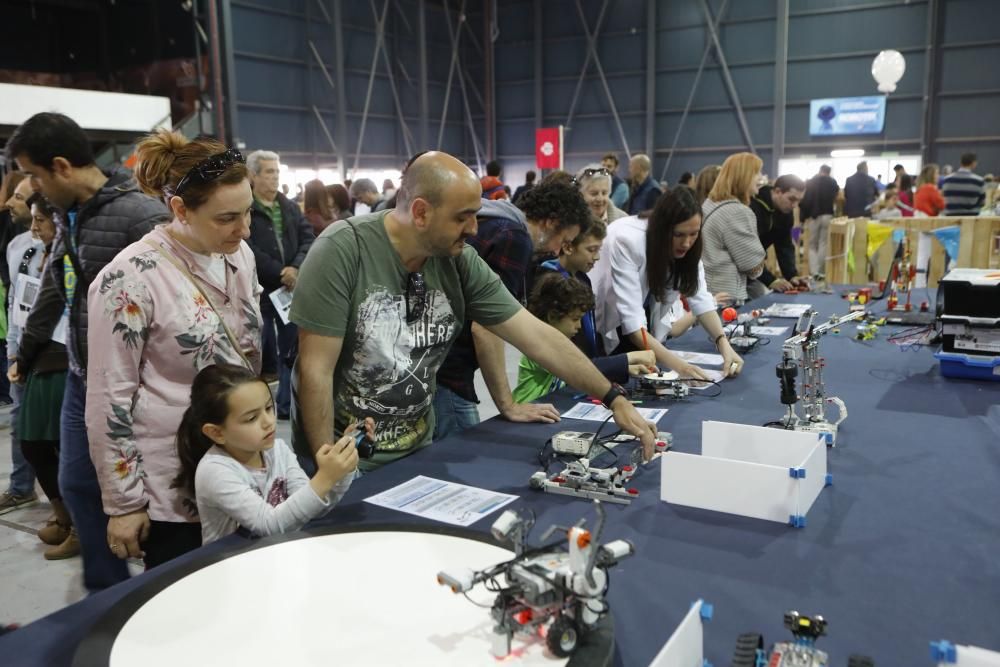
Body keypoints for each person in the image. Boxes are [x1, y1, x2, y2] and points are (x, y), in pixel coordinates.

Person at [289, 151, 657, 474]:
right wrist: (329, 472)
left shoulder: (461, 261)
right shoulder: (342, 250)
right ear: (420, 213)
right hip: (347, 462)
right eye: (463, 217)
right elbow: (315, 370)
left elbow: (535, 336)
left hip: (416, 451)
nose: (475, 228)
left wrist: (613, 397)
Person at [7, 111, 169, 591]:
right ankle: (107, 592)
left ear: (61, 166)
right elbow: (59, 290)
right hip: (83, 377)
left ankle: (162, 590)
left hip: (136, 385)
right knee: (77, 482)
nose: (31, 186)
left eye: (33, 174)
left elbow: (172, 302)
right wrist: (28, 350)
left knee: (155, 499)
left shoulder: (141, 216)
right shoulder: (65, 215)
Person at [85, 130, 263, 569]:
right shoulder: (128, 278)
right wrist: (123, 504)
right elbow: (109, 396)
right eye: (226, 218)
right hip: (175, 481)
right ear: (180, 209)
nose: (243, 230)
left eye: (248, 213)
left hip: (242, 467)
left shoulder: (238, 256)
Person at [433, 179, 592, 440]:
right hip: (448, 372)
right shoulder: (513, 237)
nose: (556, 251)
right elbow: (487, 326)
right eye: (564, 241)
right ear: (551, 222)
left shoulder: (492, 222)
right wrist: (508, 405)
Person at [174, 364, 355, 545]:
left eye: (269, 408)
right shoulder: (215, 470)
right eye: (252, 418)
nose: (269, 422)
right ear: (217, 433)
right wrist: (324, 478)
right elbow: (270, 526)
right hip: (233, 567)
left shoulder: (277, 449)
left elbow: (309, 508)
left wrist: (343, 467)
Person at [590, 186, 744, 381]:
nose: (687, 243)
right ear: (662, 229)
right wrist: (681, 367)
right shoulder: (627, 240)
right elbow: (632, 322)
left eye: (693, 234)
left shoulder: (689, 247)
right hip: (607, 318)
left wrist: (724, 345)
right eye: (678, 235)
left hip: (642, 318)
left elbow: (701, 299)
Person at [8, 194, 78, 559]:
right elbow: (20, 306)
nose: (34, 227)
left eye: (41, 220)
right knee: (33, 443)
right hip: (36, 357)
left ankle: (81, 524)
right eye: (33, 219)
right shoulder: (32, 254)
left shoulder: (70, 255)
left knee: (64, 447)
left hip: (64, 359)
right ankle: (63, 514)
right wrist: (17, 353)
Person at [512, 273, 655, 403]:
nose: (579, 326)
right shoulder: (538, 342)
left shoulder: (562, 339)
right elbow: (577, 368)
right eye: (575, 319)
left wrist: (627, 369)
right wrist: (629, 358)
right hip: (529, 408)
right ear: (553, 316)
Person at [246, 149, 315, 419]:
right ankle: (257, 408)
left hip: (290, 290)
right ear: (253, 175)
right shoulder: (246, 208)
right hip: (260, 290)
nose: (275, 177)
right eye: (269, 172)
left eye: (277, 172)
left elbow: (308, 238)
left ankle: (285, 405)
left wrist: (295, 268)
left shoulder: (288, 207)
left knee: (291, 348)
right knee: (259, 350)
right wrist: (280, 272)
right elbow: (246, 247)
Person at [0, 174, 38, 515]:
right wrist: (14, 348)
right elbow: (15, 303)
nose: (10, 203)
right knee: (19, 419)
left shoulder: (58, 243)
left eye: (17, 197)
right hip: (22, 349)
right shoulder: (15, 245)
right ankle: (21, 487)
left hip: (53, 353)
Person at [701, 153, 767, 304]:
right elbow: (753, 267)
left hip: (708, 294)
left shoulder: (710, 204)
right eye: (757, 173)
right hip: (727, 300)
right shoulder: (737, 212)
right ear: (745, 176)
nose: (761, 178)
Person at [749, 174, 808, 294]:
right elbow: (746, 250)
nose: (795, 205)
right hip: (733, 269)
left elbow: (784, 245)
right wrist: (770, 280)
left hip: (754, 268)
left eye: (799, 201)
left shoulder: (785, 212)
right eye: (791, 199)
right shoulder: (751, 207)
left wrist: (792, 275)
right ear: (777, 191)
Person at [800, 165, 840, 278]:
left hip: (814, 216)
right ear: (829, 172)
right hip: (828, 215)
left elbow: (806, 200)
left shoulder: (811, 181)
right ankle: (821, 272)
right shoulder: (833, 182)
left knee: (812, 245)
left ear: (820, 170)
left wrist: (803, 218)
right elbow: (837, 196)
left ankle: (814, 272)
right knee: (824, 243)